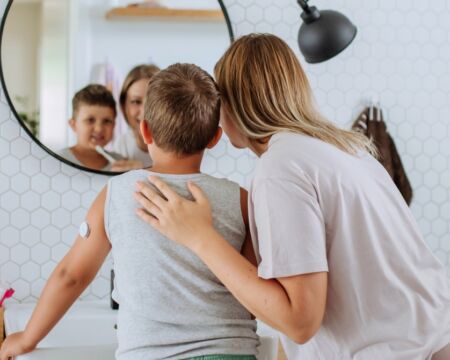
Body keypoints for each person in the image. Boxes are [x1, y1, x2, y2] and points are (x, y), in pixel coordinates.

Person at [133, 34, 450, 360]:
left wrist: (200, 238)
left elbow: (300, 321)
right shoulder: (347, 149)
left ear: (236, 104)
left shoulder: (281, 169)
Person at [0, 63, 259, 360]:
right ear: (215, 137)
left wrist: (26, 338)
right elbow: (251, 298)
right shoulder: (240, 200)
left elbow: (71, 276)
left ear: (145, 130)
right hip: (231, 353)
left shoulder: (117, 194)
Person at [59, 84, 124, 171]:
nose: (99, 129)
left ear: (114, 125)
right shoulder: (58, 161)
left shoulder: (122, 163)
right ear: (73, 125)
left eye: (107, 121)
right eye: (90, 120)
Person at [111, 64, 160, 171]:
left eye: (152, 102)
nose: (144, 112)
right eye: (136, 102)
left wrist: (141, 169)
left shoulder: (175, 144)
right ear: (124, 106)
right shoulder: (122, 145)